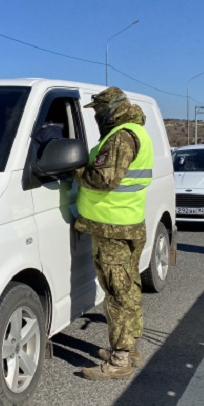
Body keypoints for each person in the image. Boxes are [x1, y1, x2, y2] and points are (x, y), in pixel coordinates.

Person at [74, 87, 154, 380]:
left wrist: (75, 170)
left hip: (113, 228)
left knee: (117, 291)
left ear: (112, 109)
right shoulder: (135, 131)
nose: (96, 116)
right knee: (128, 287)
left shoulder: (120, 136)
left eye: (98, 110)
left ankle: (120, 359)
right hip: (127, 222)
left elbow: (104, 179)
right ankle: (129, 348)